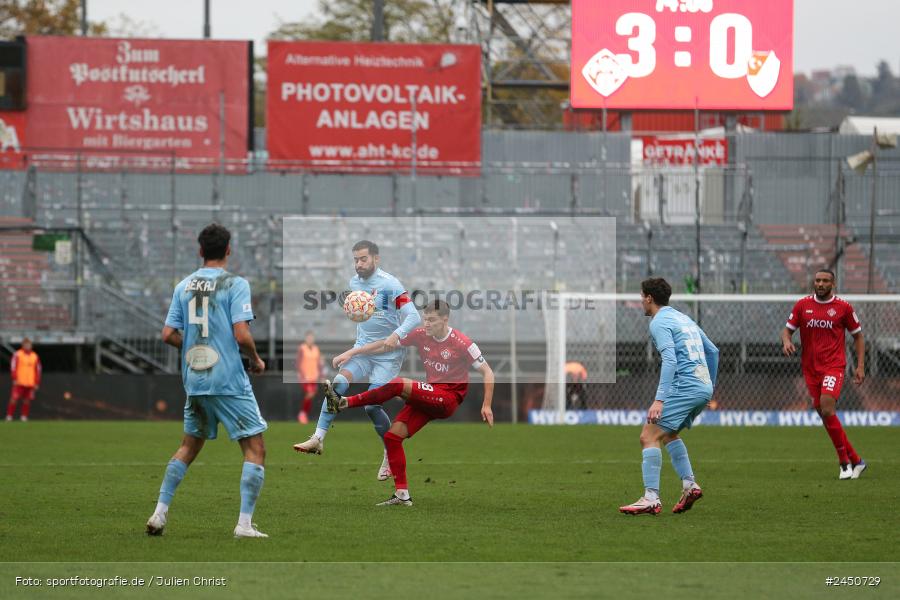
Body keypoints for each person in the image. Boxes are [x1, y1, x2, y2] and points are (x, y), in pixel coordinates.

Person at [146, 223, 269, 538]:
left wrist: (193, 348)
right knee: (255, 448)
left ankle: (159, 514)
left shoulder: (183, 286)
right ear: (229, 250)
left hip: (196, 380)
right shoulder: (234, 284)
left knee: (189, 445)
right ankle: (243, 524)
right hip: (227, 380)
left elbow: (167, 335)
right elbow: (242, 334)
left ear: (200, 251)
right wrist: (255, 360)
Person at [323, 299, 494, 506]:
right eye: (425, 319)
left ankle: (344, 403)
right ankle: (402, 495)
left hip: (447, 399)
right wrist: (351, 353)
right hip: (430, 397)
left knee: (397, 384)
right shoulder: (422, 335)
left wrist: (486, 404)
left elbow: (487, 372)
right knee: (392, 437)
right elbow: (386, 344)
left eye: (431, 320)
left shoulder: (462, 343)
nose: (426, 324)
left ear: (445, 320)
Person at [293, 240, 421, 481]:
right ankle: (318, 438)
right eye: (355, 260)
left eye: (363, 259)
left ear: (376, 259)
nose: (359, 264)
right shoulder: (354, 284)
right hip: (363, 352)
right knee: (338, 384)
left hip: (387, 356)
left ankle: (389, 451)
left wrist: (396, 335)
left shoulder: (390, 284)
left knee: (372, 406)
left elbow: (413, 317)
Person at [620, 278, 718, 516]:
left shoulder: (659, 322)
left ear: (649, 298)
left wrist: (660, 399)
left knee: (648, 436)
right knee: (668, 433)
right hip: (702, 386)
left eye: (642, 297)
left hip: (685, 386)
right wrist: (709, 386)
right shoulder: (684, 318)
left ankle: (651, 498)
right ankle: (689, 485)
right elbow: (713, 351)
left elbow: (671, 360)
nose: (641, 301)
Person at [782, 269, 866, 480]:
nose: (820, 283)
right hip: (810, 369)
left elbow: (858, 337)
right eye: (818, 280)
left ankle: (844, 463)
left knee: (827, 408)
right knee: (825, 415)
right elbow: (788, 330)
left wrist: (860, 365)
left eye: (825, 280)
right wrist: (787, 341)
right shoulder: (802, 305)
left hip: (834, 366)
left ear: (833, 284)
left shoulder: (843, 308)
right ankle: (857, 460)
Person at [6, 338, 41, 422]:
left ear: (31, 346)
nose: (28, 346)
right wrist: (14, 378)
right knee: (14, 399)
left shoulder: (35, 356)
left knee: (27, 400)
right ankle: (9, 416)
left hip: (30, 382)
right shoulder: (18, 354)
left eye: (29, 345)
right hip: (19, 381)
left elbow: (38, 370)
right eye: (26, 344)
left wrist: (36, 382)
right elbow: (13, 367)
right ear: (23, 345)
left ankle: (24, 417)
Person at [296, 331, 323, 424]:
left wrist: (321, 375)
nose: (310, 340)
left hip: (314, 376)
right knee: (310, 393)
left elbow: (319, 363)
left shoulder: (316, 349)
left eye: (312, 338)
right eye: (309, 338)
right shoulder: (302, 348)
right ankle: (302, 414)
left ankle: (304, 413)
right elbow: (298, 362)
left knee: (311, 394)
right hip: (305, 377)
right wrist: (301, 374)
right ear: (306, 339)